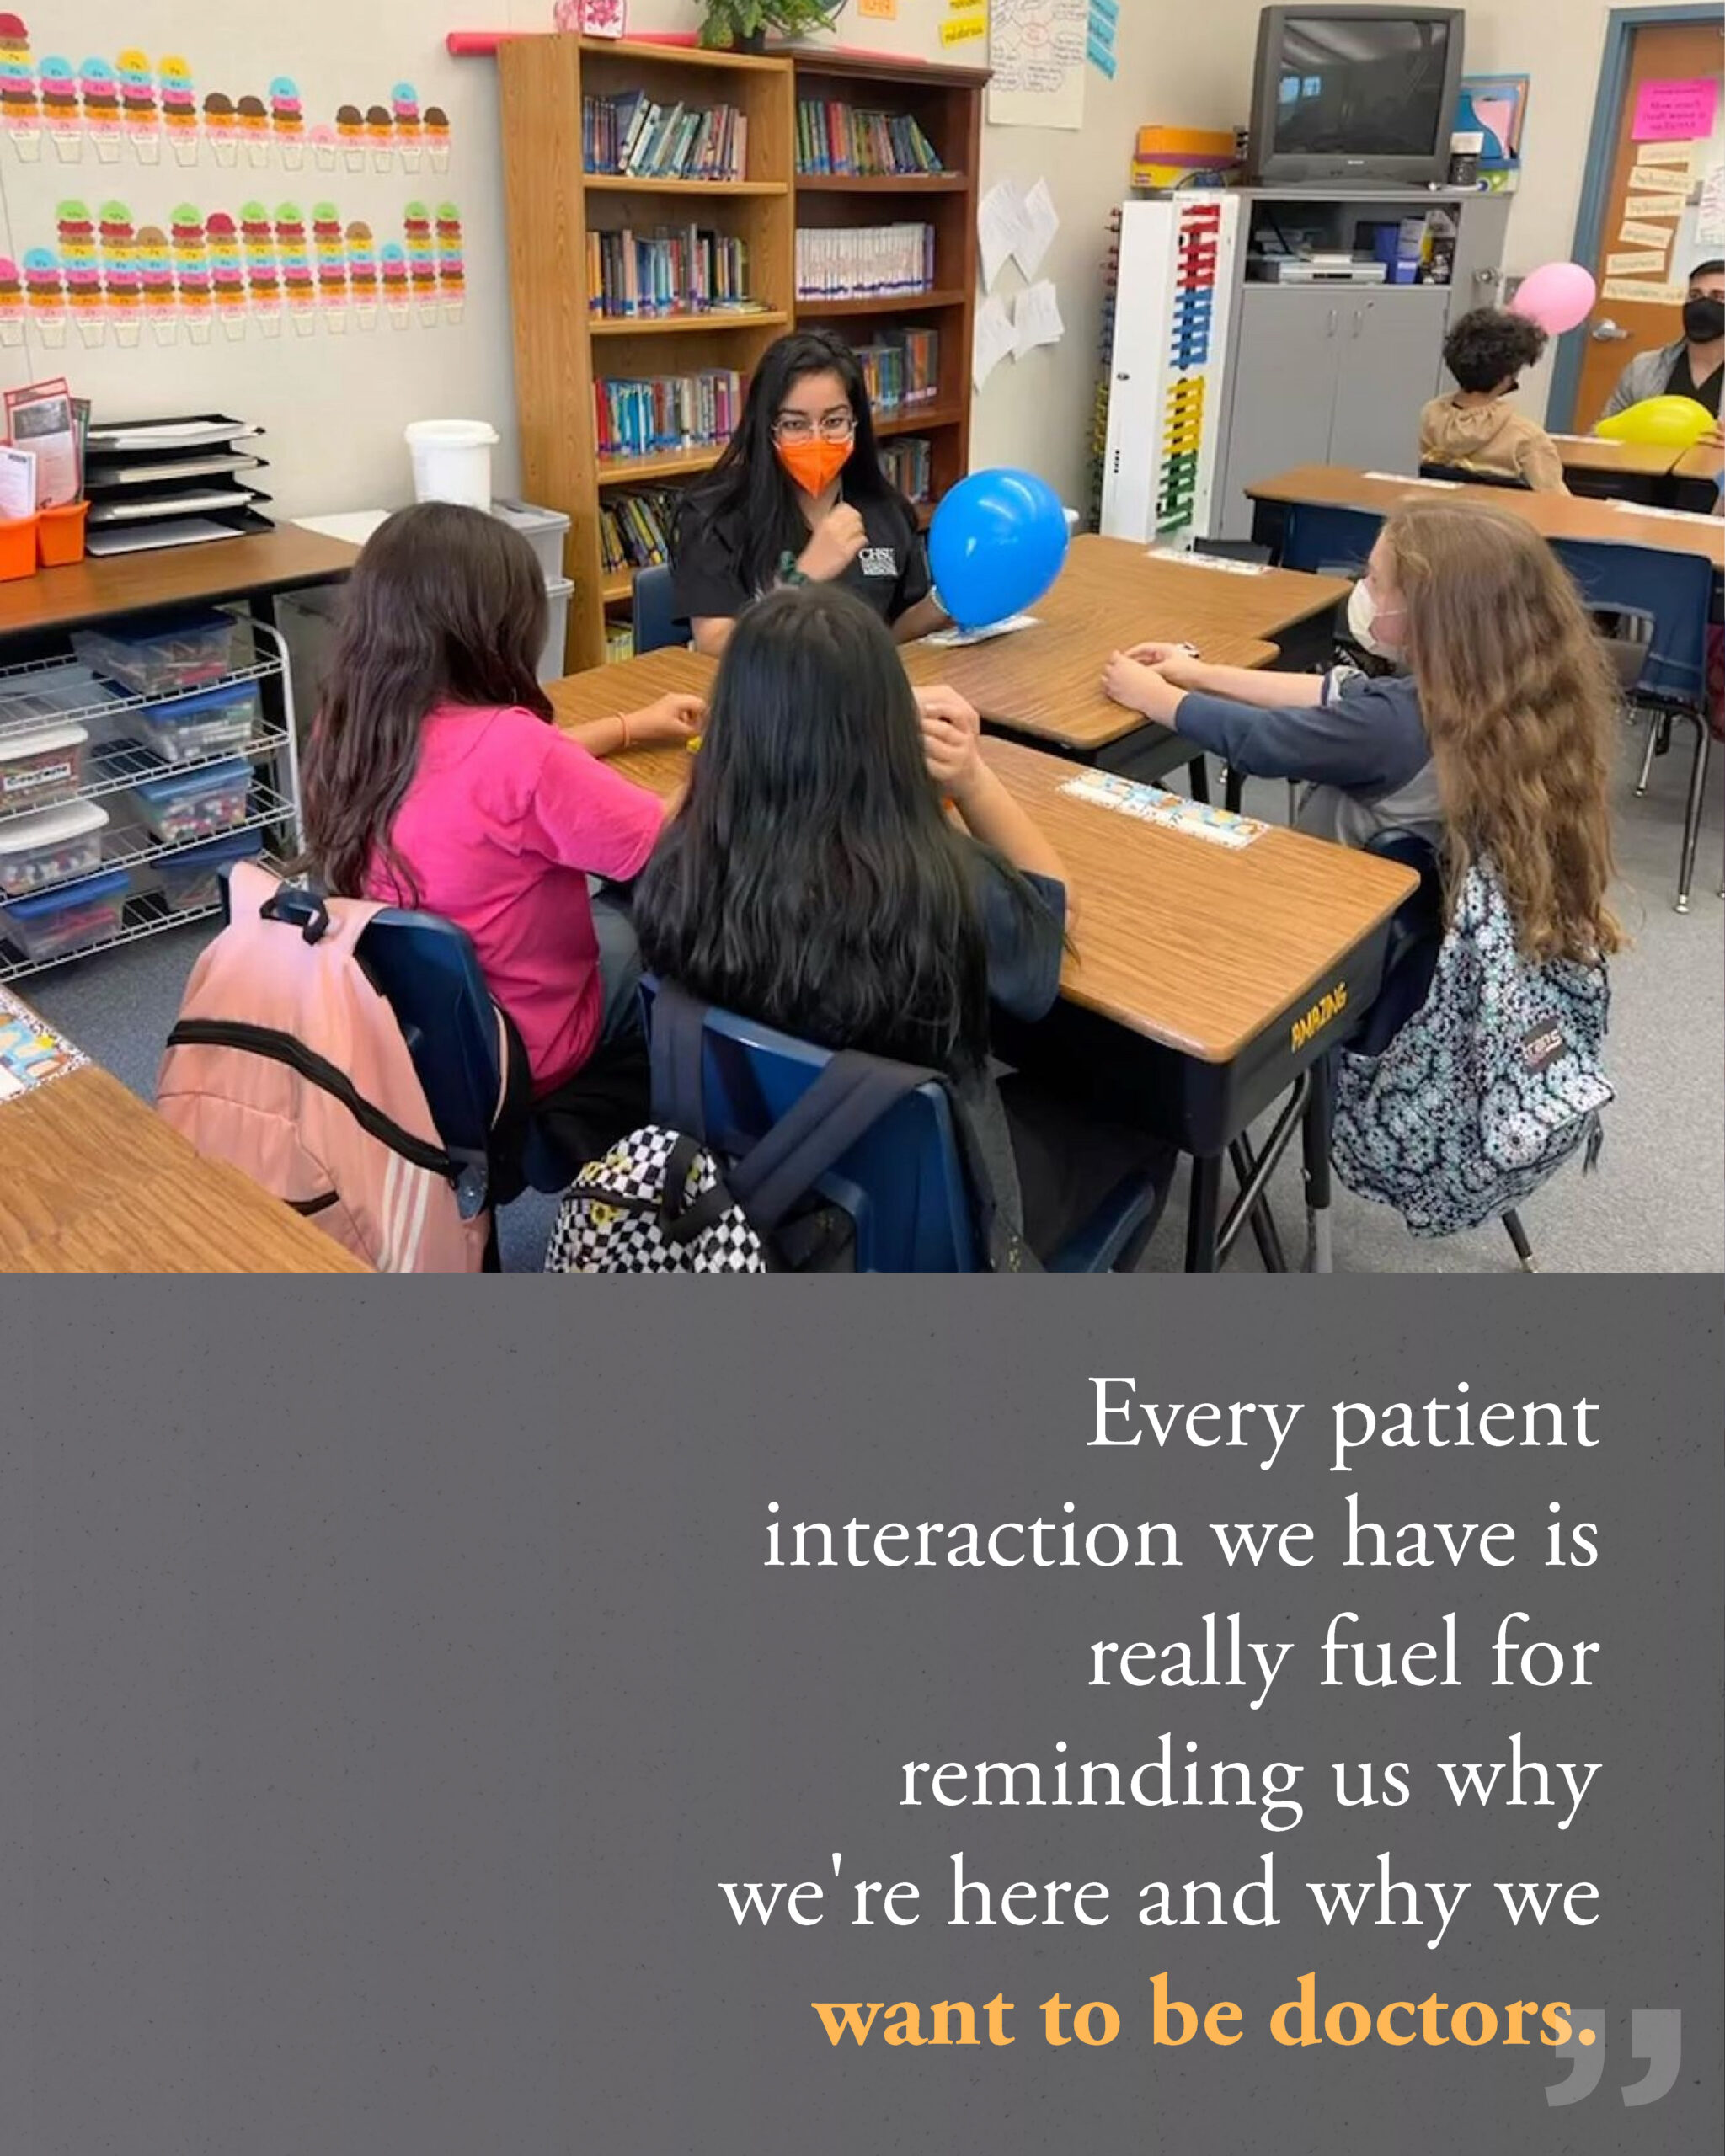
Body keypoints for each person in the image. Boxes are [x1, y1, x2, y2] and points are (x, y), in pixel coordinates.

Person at [633, 584, 1173, 1263]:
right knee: (1151, 1115)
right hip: (926, 1228)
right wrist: (973, 777)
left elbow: (709, 786)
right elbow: (1049, 922)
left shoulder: (681, 857)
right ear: (888, 723)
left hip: (753, 1181)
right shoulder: (939, 883)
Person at [301, 501, 704, 1164]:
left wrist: (630, 726)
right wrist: (716, 760)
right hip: (525, 1045)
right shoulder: (519, 754)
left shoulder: (348, 729)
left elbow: (498, 768)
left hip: (408, 1033)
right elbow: (661, 837)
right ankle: (662, 1161)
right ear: (495, 626)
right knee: (657, 922)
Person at [1100, 499, 1623, 958]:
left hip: (1312, 924)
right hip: (1380, 936)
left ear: (1430, 610)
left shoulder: (1395, 729)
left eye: (1375, 581)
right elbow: (1340, 691)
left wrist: (1155, 697)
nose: (1362, 590)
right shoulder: (1491, 698)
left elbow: (1259, 742)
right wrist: (1198, 674)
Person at [671, 328, 948, 657]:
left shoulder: (886, 509)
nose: (817, 438)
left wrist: (945, 604)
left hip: (861, 694)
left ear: (855, 423)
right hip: (767, 699)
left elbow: (890, 636)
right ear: (767, 427)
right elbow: (714, 646)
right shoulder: (713, 515)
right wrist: (803, 578)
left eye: (834, 421)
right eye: (795, 424)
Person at [1420, 307, 1567, 491]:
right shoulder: (1527, 438)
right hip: (1499, 519)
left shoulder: (1431, 416)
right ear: (1507, 379)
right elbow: (1556, 503)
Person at [1599, 257, 1725, 430]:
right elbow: (1605, 434)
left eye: (1719, 297)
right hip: (1645, 457)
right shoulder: (1645, 368)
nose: (1703, 305)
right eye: (1695, 295)